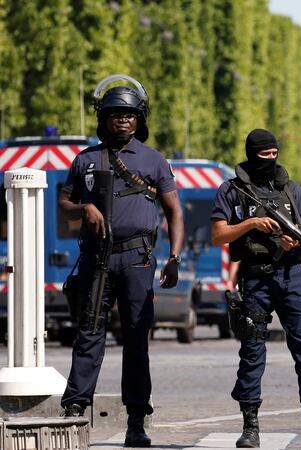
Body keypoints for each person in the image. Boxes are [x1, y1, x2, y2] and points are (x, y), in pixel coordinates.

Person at [59, 75, 184, 448]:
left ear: (139, 119)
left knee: (136, 340)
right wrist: (84, 208)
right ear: (104, 118)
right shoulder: (85, 160)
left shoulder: (153, 160)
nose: (122, 120)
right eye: (115, 114)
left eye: (129, 115)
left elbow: (174, 212)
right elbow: (64, 208)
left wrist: (174, 257)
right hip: (97, 259)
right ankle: (75, 410)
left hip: (137, 259)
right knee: (89, 335)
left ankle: (136, 420)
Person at [211, 129, 301, 449]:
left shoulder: (290, 189)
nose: (270, 160)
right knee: (252, 354)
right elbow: (219, 235)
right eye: (264, 155)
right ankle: (250, 426)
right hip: (255, 279)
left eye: (274, 154)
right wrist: (252, 224)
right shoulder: (233, 191)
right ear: (251, 154)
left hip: (291, 276)